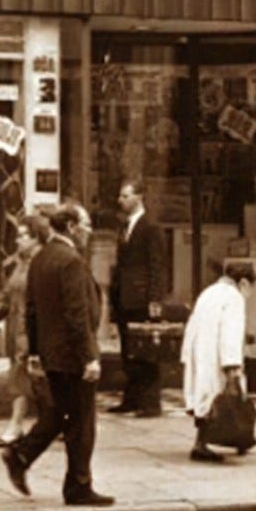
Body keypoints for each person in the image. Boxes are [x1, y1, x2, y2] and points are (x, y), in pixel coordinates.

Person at [1, 204, 114, 507]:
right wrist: (90, 356)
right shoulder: (71, 261)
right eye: (86, 224)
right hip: (72, 356)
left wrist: (38, 351)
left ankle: (21, 455)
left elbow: (33, 312)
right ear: (73, 227)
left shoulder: (40, 259)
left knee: (58, 414)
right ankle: (78, 486)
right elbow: (76, 313)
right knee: (82, 423)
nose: (89, 230)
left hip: (52, 354)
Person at [0, 215, 48, 446]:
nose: (18, 240)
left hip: (35, 331)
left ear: (36, 237)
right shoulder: (19, 263)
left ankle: (20, 424)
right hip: (17, 329)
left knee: (30, 377)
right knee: (21, 376)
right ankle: (20, 425)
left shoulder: (45, 262)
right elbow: (7, 295)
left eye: (22, 236)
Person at [181, 261, 256, 463]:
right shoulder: (234, 298)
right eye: (250, 288)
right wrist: (232, 365)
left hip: (201, 353)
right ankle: (205, 444)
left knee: (205, 399)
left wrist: (187, 354)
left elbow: (192, 325)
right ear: (243, 283)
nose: (250, 294)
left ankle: (228, 441)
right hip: (218, 356)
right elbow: (231, 332)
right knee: (224, 400)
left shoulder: (209, 292)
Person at [108, 179, 170, 418]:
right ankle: (131, 398)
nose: (120, 200)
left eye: (125, 196)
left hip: (141, 297)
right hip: (125, 296)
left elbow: (157, 265)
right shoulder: (125, 226)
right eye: (121, 196)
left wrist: (155, 298)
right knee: (129, 349)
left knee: (146, 351)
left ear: (139, 197)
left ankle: (150, 402)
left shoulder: (150, 226)